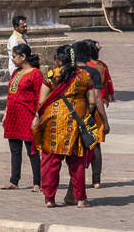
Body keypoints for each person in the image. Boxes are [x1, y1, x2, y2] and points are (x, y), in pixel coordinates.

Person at [33, 43, 109, 208]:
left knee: (51, 162)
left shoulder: (51, 75)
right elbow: (91, 101)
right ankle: (80, 199)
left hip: (53, 123)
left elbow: (41, 102)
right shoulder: (84, 76)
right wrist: (82, 113)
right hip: (75, 123)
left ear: (59, 60)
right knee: (76, 163)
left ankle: (50, 199)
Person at [1, 43, 43, 191]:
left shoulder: (35, 74)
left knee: (32, 151)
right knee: (15, 150)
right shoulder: (16, 73)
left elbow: (40, 97)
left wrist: (37, 116)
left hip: (27, 116)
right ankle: (14, 180)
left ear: (23, 56)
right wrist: (6, 113)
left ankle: (37, 182)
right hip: (13, 116)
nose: (12, 59)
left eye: (14, 56)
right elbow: (10, 95)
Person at [83, 39, 113, 188]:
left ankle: (78, 178)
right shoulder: (102, 66)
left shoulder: (86, 67)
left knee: (83, 144)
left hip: (88, 108)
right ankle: (96, 180)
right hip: (99, 109)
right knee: (96, 145)